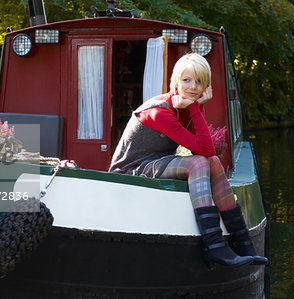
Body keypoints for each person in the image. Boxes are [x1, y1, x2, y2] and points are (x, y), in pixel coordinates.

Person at [109, 53, 268, 267]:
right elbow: (203, 151)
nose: (193, 87)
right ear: (176, 81)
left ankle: (242, 243)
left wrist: (195, 108)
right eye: (187, 80)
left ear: (206, 86)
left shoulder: (187, 105)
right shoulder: (159, 112)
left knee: (210, 162)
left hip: (159, 162)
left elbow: (208, 152)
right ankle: (213, 245)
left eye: (199, 81)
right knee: (200, 162)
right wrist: (195, 107)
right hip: (131, 170)